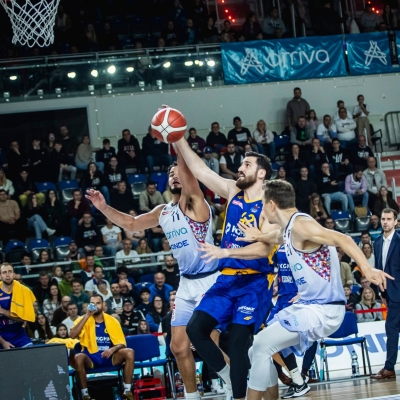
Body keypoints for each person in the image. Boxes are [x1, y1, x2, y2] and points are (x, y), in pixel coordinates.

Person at [227, 180, 390, 399]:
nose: (261, 210)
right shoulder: (289, 229)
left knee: (262, 345)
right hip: (310, 305)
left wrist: (367, 269)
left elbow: (342, 238)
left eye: (263, 204)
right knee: (256, 349)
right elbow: (277, 236)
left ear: (272, 204)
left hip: (324, 310)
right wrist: (258, 236)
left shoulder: (301, 225)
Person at [85, 148, 221, 400]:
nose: (175, 176)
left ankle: (234, 386)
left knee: (210, 343)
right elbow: (131, 224)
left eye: (179, 172)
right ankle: (192, 397)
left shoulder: (195, 202)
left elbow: (187, 168)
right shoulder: (163, 211)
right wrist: (103, 207)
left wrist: (176, 142)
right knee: (178, 346)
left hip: (209, 280)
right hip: (186, 282)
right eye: (171, 174)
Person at [175, 137, 277, 400]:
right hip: (227, 280)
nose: (240, 168)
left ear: (261, 173)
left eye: (247, 165)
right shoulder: (233, 191)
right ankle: (228, 375)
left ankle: (240, 396)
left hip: (255, 283)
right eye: (241, 164)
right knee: (195, 329)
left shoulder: (270, 204)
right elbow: (200, 171)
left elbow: (264, 249)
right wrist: (178, 139)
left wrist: (226, 252)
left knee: (238, 343)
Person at [70, 294, 134, 400]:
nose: (95, 306)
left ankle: (127, 392)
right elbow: (72, 335)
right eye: (92, 303)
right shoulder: (82, 319)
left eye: (98, 303)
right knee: (78, 357)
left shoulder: (112, 320)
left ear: (103, 305)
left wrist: (112, 349)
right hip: (90, 357)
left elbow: (122, 343)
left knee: (129, 352)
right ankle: (85, 396)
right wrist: (87, 316)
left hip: (109, 356)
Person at [371, 208, 400, 380]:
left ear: (395, 221)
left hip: (398, 293)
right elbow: (377, 269)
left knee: (391, 328)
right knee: (393, 328)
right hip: (388, 293)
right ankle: (389, 367)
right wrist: (380, 292)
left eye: (389, 219)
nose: (385, 222)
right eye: (383, 219)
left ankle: (389, 368)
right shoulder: (377, 242)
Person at [0, 263, 36, 349]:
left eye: (10, 272)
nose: (7, 275)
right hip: (1, 335)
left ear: (14, 274)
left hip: (19, 334)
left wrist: (3, 311)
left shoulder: (24, 291)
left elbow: (24, 318)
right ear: (0, 276)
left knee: (31, 354)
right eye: (4, 272)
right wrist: (3, 343)